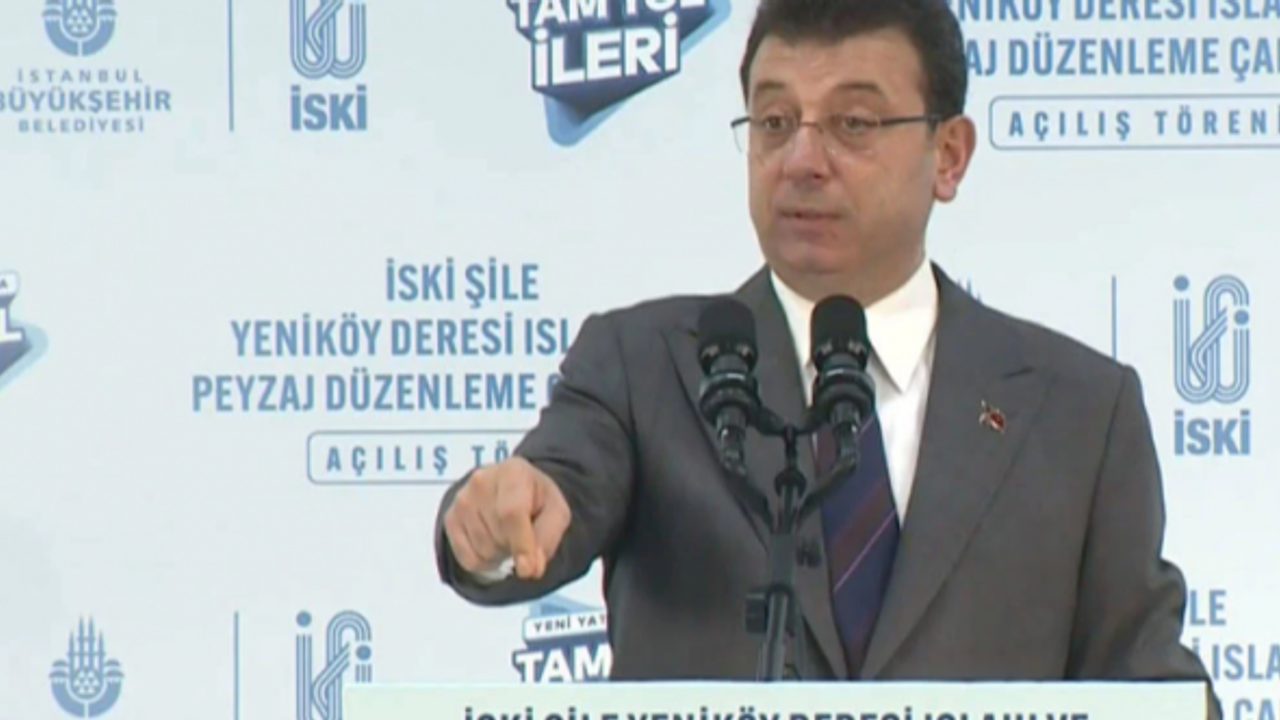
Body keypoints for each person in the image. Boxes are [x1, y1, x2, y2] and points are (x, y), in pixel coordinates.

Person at [435, 0, 1221, 715]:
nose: (802, 160)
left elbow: (1147, 683)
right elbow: (553, 496)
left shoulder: (1080, 411)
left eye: (853, 124)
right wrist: (499, 525)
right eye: (775, 121)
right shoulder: (642, 366)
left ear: (949, 155)